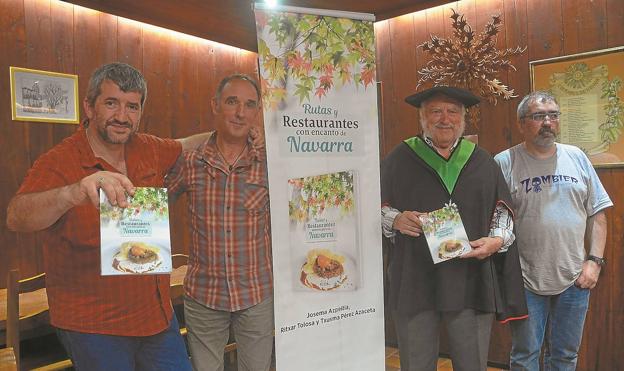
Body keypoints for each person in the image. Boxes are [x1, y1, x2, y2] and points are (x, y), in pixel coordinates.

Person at [5, 62, 207, 371]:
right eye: (111, 103)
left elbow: (186, 146)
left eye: (132, 107)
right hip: (94, 324)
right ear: (89, 106)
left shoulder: (148, 148)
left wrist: (240, 133)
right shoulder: (61, 160)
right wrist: (72, 193)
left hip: (155, 316)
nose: (122, 117)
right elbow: (16, 216)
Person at [380, 86, 527, 371]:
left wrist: (496, 240)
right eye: (435, 111)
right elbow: (375, 205)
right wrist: (394, 219)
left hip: (470, 277)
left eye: (452, 112)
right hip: (415, 277)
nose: (444, 119)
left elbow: (502, 210)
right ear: (422, 118)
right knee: (416, 363)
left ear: (463, 118)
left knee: (471, 363)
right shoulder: (400, 157)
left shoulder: (482, 160)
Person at [494, 91, 613, 371]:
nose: (547, 122)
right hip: (525, 280)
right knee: (525, 357)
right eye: (538, 116)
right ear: (522, 123)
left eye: (553, 115)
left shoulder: (577, 157)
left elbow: (597, 213)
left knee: (565, 356)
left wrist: (594, 263)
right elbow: (494, 219)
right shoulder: (504, 162)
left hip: (574, 279)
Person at [166, 74, 273, 371]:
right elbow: (154, 206)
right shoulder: (191, 161)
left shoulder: (270, 163)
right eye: (232, 102)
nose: (241, 112)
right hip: (204, 296)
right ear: (215, 105)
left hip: (255, 295)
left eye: (249, 105)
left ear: (257, 112)